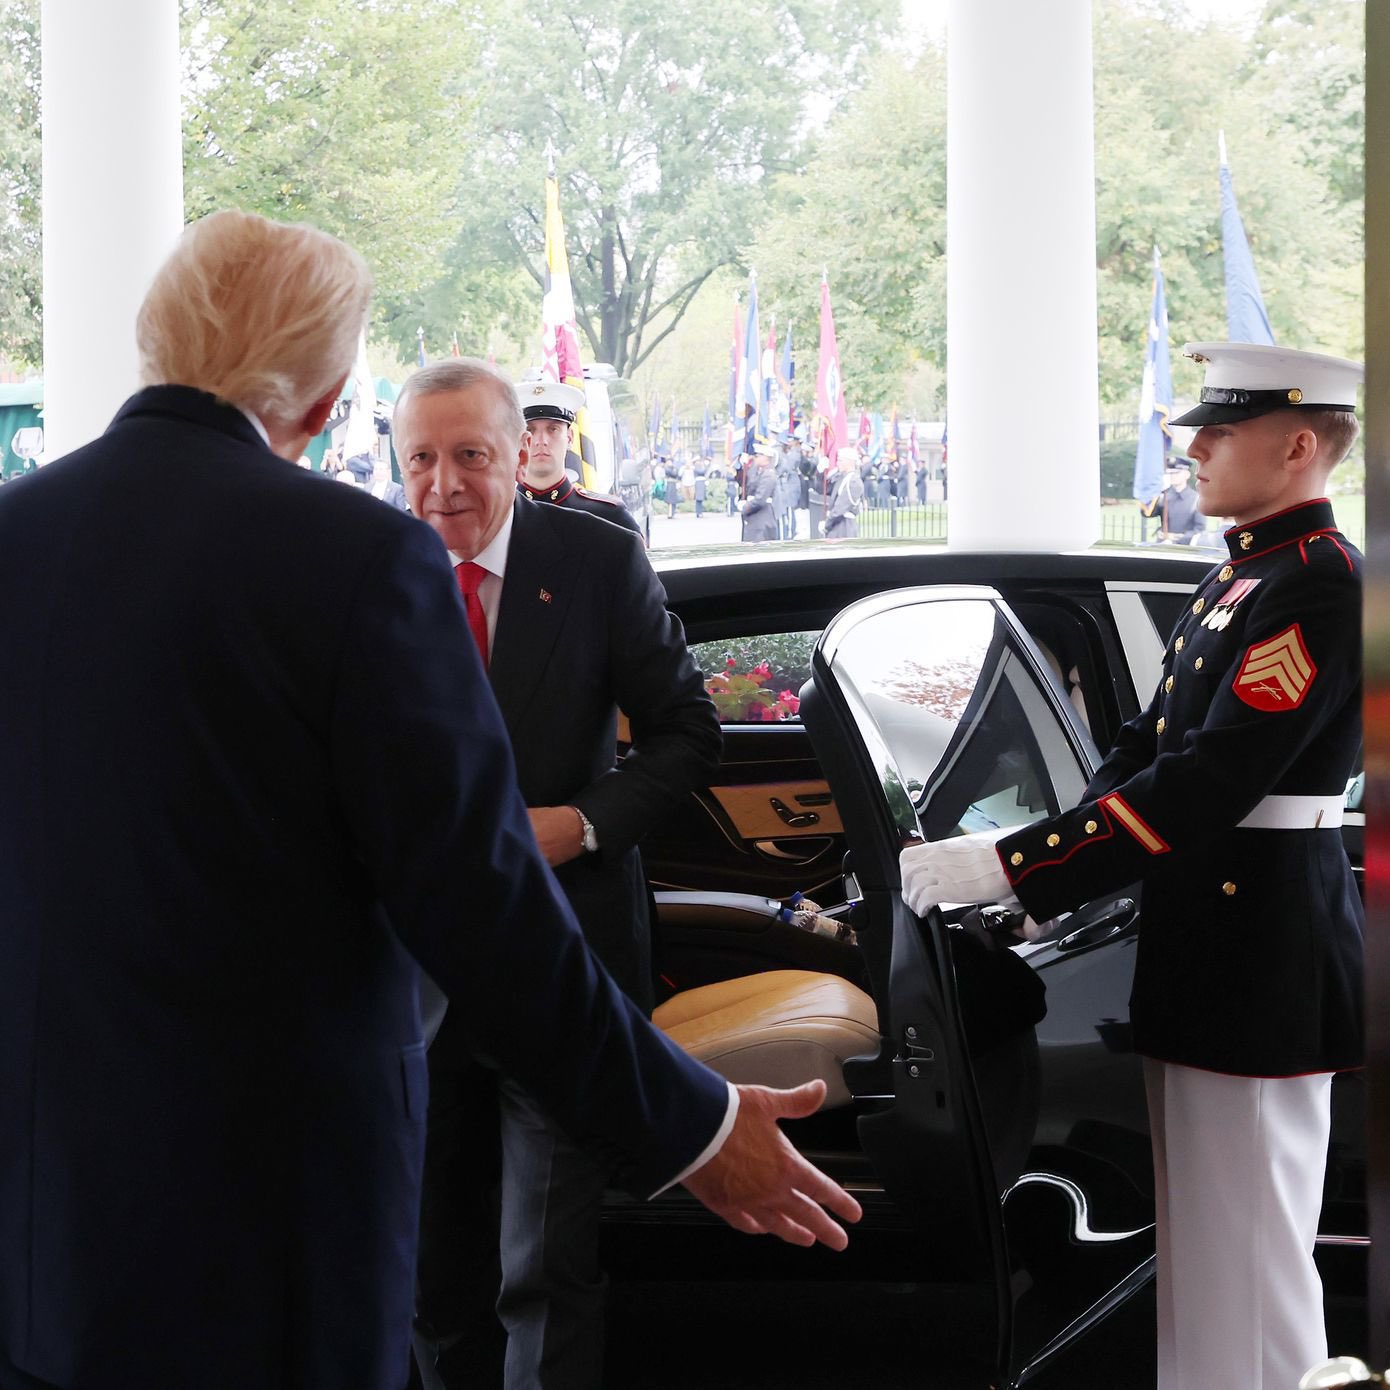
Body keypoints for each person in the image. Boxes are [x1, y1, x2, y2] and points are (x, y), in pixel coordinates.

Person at [0, 211, 860, 1390]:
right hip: (267, 1207)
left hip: (46, 1201)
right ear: (327, 396)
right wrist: (694, 1127)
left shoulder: (17, 535)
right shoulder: (354, 558)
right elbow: (476, 899)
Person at [898, 341, 1365, 1390]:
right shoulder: (1247, 571)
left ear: (1297, 446)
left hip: (1262, 948)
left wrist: (1016, 866)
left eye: (1218, 430)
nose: (1191, 448)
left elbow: (1206, 782)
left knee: (1249, 1250)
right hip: (1214, 939)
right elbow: (1141, 747)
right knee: (1207, 1248)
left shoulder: (1321, 584)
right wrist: (1033, 877)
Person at [396, 358, 722, 1390]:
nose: (442, 484)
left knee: (544, 1271)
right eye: (419, 459)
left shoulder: (593, 559)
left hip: (562, 970)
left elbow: (685, 730)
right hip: (412, 982)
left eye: (469, 457)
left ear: (520, 451)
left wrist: (582, 823)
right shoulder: (366, 571)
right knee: (432, 1280)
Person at [515, 380, 642, 538]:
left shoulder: (609, 516)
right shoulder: (496, 519)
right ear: (517, 439)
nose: (541, 440)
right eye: (530, 430)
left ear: (569, 438)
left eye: (553, 429)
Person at [1140, 459, 1205, 543]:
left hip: (1183, 549)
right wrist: (1155, 492)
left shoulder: (1196, 498)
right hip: (1163, 546)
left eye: (1177, 473)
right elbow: (1147, 513)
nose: (1173, 476)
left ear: (1187, 475)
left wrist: (1176, 538)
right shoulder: (1163, 496)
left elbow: (1199, 530)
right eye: (1170, 473)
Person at [739, 444, 778, 542]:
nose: (755, 458)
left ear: (766, 458)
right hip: (755, 519)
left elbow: (760, 500)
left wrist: (745, 507)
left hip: (762, 520)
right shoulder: (759, 472)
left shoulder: (768, 475)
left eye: (758, 456)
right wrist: (743, 466)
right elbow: (748, 482)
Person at [823, 447, 865, 538]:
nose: (838, 463)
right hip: (837, 526)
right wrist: (821, 472)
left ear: (849, 462)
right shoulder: (842, 478)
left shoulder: (853, 481)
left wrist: (827, 524)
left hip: (844, 527)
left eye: (840, 460)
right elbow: (824, 490)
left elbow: (840, 508)